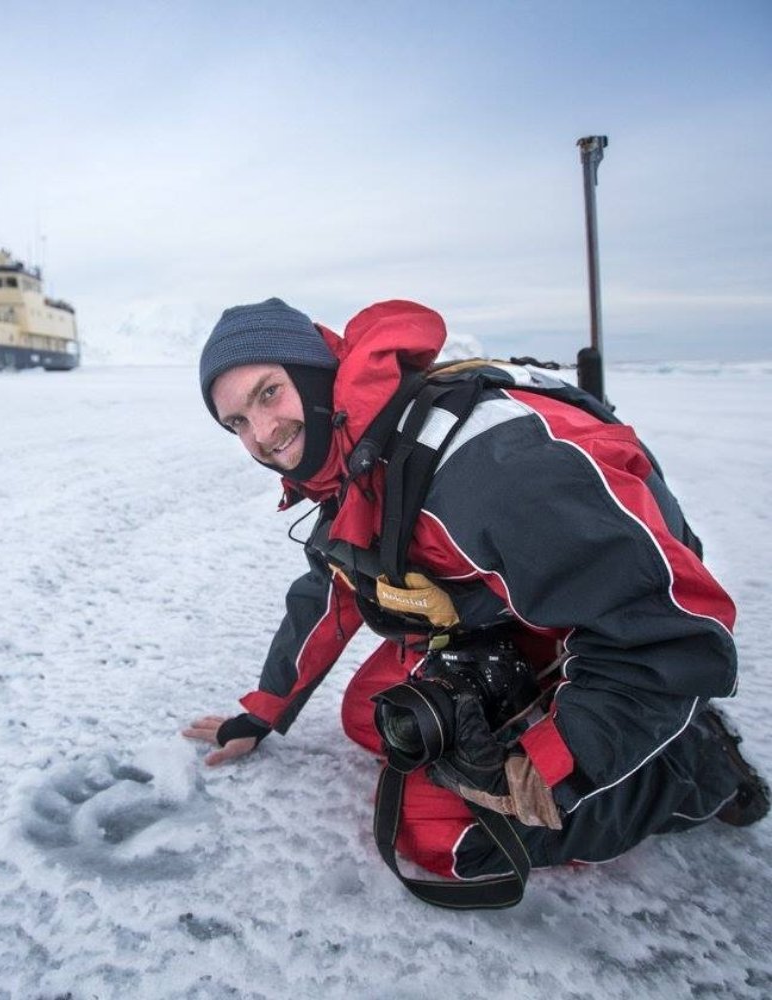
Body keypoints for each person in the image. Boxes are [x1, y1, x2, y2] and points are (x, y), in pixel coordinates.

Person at [183, 297, 768, 904]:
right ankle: (578, 717)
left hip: (605, 629)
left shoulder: (494, 471)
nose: (262, 435)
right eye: (237, 424)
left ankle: (693, 769)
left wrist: (560, 758)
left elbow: (669, 628)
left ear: (314, 375)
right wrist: (265, 710)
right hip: (508, 613)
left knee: (444, 836)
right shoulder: (348, 463)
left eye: (268, 394)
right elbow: (333, 590)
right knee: (372, 715)